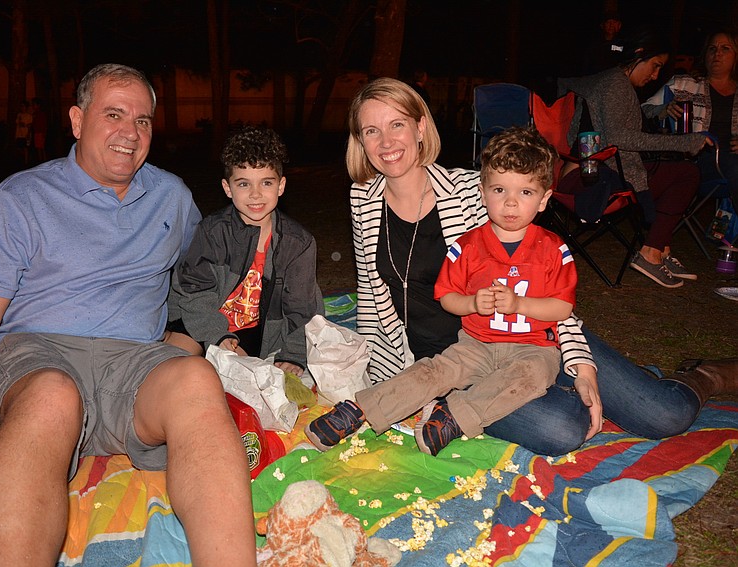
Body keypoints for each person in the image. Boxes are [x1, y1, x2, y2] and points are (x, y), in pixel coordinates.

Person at [0, 64, 256, 566]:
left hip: (132, 365)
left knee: (195, 379)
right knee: (53, 396)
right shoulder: (19, 199)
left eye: (143, 121)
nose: (130, 133)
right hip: (37, 358)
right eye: (114, 115)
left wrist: (192, 338)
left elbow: (201, 280)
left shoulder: (172, 197)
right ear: (77, 121)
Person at [306, 77, 737, 459]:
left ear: (420, 127)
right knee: (562, 429)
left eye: (397, 124)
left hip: (532, 328)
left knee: (664, 414)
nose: (386, 141)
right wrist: (378, 378)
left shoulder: (473, 193)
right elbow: (371, 295)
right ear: (360, 141)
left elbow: (544, 274)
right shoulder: (363, 198)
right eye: (371, 130)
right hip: (457, 362)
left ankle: (703, 375)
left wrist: (581, 364)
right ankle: (546, 388)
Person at [306, 126, 578, 456]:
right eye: (499, 190)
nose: (510, 203)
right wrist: (473, 303)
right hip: (475, 343)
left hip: (533, 348)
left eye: (525, 193)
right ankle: (360, 410)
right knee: (435, 370)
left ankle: (452, 416)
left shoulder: (553, 249)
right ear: (483, 191)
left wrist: (520, 304)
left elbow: (562, 309)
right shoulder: (466, 246)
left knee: (530, 377)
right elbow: (447, 297)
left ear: (544, 199)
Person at [557, 29, 711, 288]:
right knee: (686, 173)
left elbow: (616, 122)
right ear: (639, 55)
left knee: (672, 171)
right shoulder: (616, 83)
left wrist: (657, 113)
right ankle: (652, 251)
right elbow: (622, 137)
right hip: (591, 181)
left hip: (588, 172)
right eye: (655, 66)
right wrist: (686, 142)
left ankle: (659, 247)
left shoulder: (609, 81)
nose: (655, 75)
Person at [166, 126, 324, 376]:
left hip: (254, 332)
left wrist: (293, 354)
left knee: (255, 376)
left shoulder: (298, 243)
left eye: (266, 182)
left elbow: (302, 308)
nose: (255, 194)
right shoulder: (213, 232)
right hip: (203, 321)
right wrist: (217, 335)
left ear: (281, 186)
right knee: (175, 363)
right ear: (227, 188)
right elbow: (192, 293)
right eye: (243, 184)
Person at [642, 29, 738, 209]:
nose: (717, 53)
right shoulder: (683, 84)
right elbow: (642, 111)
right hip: (699, 160)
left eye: (725, 48)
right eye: (712, 48)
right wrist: (663, 110)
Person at [581, 10, 626, 75]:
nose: (611, 25)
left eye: (614, 22)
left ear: (619, 25)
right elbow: (586, 66)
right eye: (608, 22)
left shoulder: (625, 44)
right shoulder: (594, 45)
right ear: (602, 25)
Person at [14, 100, 32, 166]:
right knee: (19, 147)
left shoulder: (29, 116)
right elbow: (17, 124)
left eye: (23, 106)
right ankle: (22, 159)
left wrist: (28, 134)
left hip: (25, 134)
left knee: (25, 148)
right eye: (21, 106)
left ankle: (26, 161)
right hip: (19, 134)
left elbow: (29, 126)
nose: (22, 108)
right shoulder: (19, 115)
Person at [31, 97, 48, 163]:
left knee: (41, 147)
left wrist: (44, 133)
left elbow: (44, 124)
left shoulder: (41, 114)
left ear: (38, 105)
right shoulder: (34, 114)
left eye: (34, 105)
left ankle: (43, 160)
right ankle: (40, 160)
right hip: (36, 132)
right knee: (38, 147)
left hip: (40, 133)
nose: (33, 106)